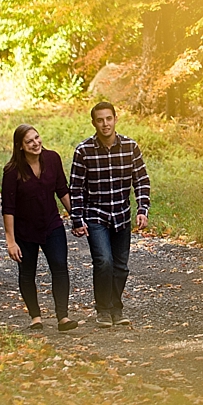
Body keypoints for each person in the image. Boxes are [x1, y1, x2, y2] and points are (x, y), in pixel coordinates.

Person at [69, 101, 151, 328]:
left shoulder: (130, 147)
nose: (105, 124)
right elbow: (75, 188)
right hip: (96, 215)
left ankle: (116, 307)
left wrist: (142, 209)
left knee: (121, 266)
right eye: (100, 120)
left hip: (122, 215)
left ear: (115, 119)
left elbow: (141, 180)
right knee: (104, 261)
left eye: (108, 118)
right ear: (94, 122)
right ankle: (104, 309)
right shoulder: (83, 151)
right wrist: (77, 218)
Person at [1, 124, 78, 332]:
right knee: (27, 273)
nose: (35, 143)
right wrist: (11, 241)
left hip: (52, 224)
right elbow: (8, 208)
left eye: (37, 138)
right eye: (29, 141)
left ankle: (63, 317)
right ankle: (35, 317)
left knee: (60, 267)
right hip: (25, 231)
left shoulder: (52, 159)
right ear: (20, 146)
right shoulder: (12, 171)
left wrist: (77, 218)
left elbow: (62, 190)